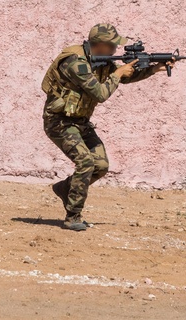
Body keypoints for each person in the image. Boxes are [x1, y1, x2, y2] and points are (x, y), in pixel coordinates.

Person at [41, 23, 177, 231]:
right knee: (86, 162)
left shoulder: (102, 61)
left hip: (80, 122)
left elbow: (125, 77)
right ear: (100, 45)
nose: (116, 50)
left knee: (101, 166)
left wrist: (152, 69)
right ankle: (73, 216)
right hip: (60, 122)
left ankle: (64, 188)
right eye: (112, 46)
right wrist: (118, 73)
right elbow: (101, 93)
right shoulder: (75, 62)